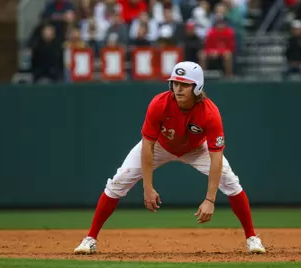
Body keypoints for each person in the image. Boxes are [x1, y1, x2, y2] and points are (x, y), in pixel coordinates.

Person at [74, 61, 266, 255]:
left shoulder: (210, 113)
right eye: (175, 83)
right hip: (160, 145)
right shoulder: (159, 104)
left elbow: (216, 158)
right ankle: (90, 238)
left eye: (185, 84)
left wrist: (210, 199)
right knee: (118, 182)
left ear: (197, 87)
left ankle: (252, 237)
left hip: (197, 148)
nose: (178, 88)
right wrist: (147, 188)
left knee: (231, 182)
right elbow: (147, 147)